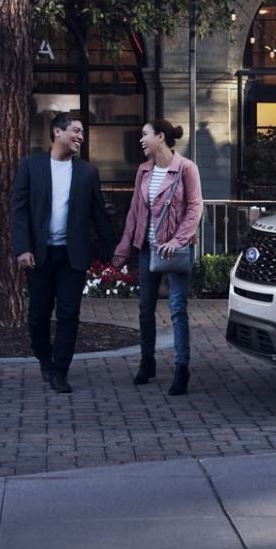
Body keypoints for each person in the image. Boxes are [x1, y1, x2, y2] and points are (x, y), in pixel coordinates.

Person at [11, 113, 114, 393]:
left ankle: (60, 370)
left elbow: (97, 213)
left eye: (82, 131)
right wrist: (22, 248)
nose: (80, 136)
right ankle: (45, 358)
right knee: (37, 315)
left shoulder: (87, 172)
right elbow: (18, 211)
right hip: (40, 256)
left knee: (69, 314)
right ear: (57, 132)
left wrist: (115, 248)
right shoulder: (31, 166)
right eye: (75, 130)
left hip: (73, 255)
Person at [113, 119, 203, 396]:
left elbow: (194, 207)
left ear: (160, 137)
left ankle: (181, 368)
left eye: (145, 135)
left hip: (175, 250)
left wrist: (177, 241)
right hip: (148, 248)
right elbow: (135, 212)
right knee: (144, 308)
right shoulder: (143, 170)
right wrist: (124, 248)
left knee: (177, 309)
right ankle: (147, 360)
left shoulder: (186, 168)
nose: (141, 140)